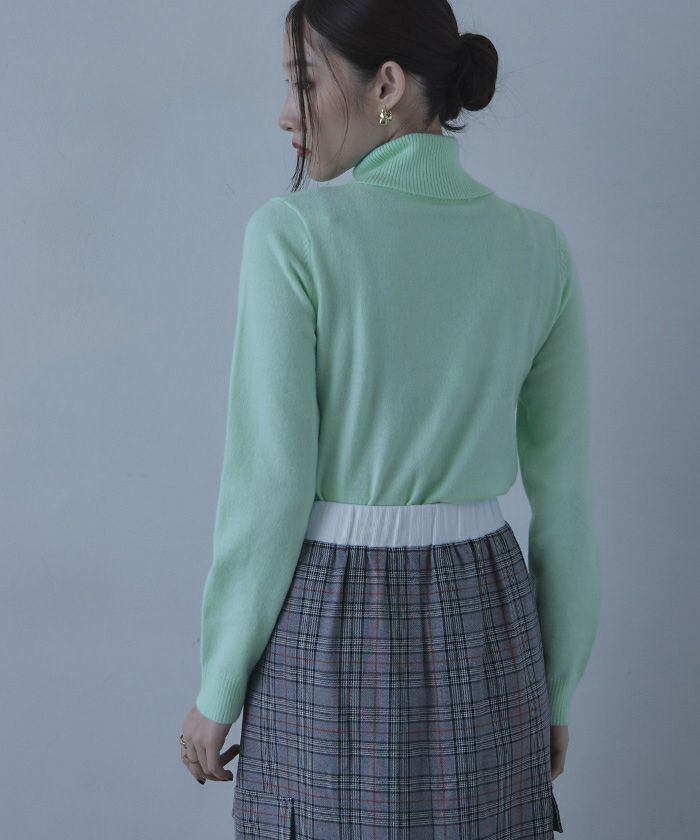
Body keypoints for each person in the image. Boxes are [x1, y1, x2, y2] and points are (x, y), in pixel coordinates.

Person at [180, 0, 602, 836]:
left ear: (387, 86)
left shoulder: (292, 236)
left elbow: (269, 489)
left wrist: (218, 686)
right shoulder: (538, 248)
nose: (287, 113)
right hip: (492, 624)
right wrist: (555, 691)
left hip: (333, 619)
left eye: (304, 82)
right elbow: (566, 501)